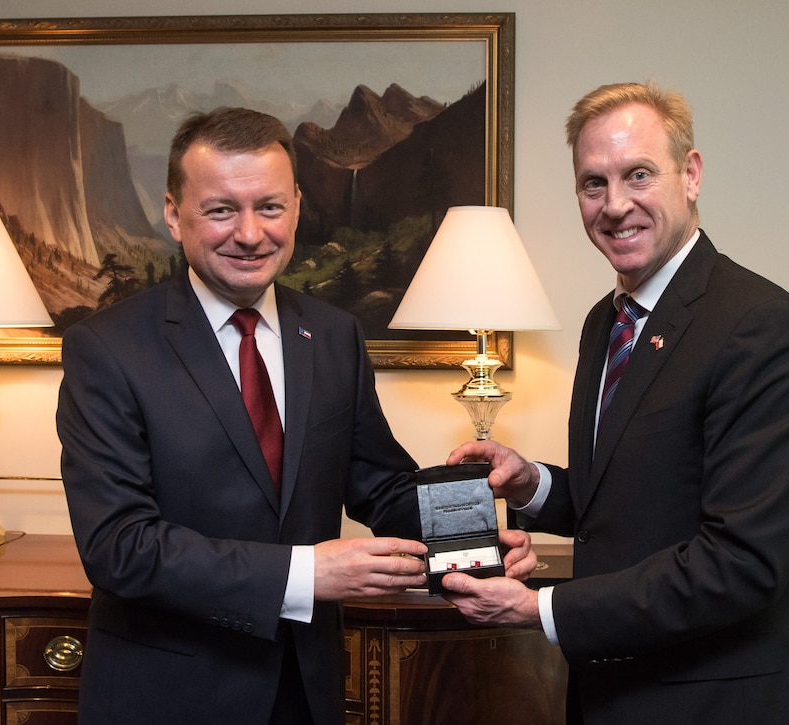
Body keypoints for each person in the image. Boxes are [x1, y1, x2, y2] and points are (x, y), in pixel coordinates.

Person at [56, 106, 536, 724]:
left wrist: (471, 544)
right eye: (221, 209)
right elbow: (120, 546)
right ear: (175, 214)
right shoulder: (108, 348)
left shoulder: (334, 335)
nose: (251, 234)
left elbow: (378, 484)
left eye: (270, 207)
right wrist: (305, 572)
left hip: (304, 693)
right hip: (168, 695)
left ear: (298, 206)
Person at [440, 82, 789, 724]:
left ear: (692, 174)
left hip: (721, 702)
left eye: (638, 175)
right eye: (593, 184)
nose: (615, 206)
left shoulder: (761, 326)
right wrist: (533, 484)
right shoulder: (607, 322)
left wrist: (540, 608)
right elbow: (634, 505)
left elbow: (742, 563)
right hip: (614, 695)